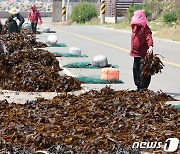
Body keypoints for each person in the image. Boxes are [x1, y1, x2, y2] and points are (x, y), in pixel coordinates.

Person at [130, 10, 153, 91]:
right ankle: (138, 85)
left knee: (144, 69)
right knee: (135, 69)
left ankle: (143, 86)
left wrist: (150, 46)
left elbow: (148, 37)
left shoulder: (145, 28)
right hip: (136, 53)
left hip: (144, 53)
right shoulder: (134, 27)